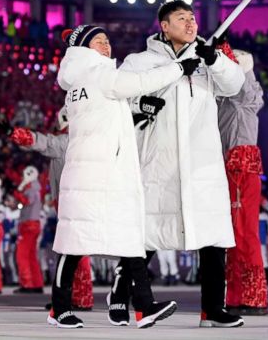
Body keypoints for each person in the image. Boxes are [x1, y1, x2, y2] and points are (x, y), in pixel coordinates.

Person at [43, 24, 192, 329]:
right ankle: (60, 309)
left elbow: (106, 119)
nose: (107, 46)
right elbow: (141, 81)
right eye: (99, 41)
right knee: (78, 244)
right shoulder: (99, 74)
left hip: (97, 170)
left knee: (116, 240)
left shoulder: (80, 82)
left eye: (107, 41)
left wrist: (136, 113)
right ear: (83, 48)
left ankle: (144, 306)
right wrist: (178, 68)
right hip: (99, 172)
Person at [117, 1, 246, 328]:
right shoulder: (140, 61)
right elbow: (121, 95)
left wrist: (214, 59)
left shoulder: (206, 58)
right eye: (181, 19)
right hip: (159, 161)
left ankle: (212, 310)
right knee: (146, 234)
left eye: (192, 18)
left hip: (202, 164)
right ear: (164, 25)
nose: (190, 24)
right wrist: (141, 103)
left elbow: (234, 85)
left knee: (213, 236)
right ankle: (125, 292)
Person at [8, 111, 94, 311]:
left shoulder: (65, 141)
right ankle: (78, 297)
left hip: (68, 199)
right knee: (76, 251)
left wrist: (15, 133)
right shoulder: (79, 141)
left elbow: (43, 143)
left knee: (74, 251)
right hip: (74, 198)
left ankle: (79, 298)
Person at [216, 48, 268, 314]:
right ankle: (235, 295)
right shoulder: (222, 101)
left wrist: (239, 65)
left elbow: (248, 90)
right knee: (231, 236)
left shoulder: (247, 99)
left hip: (242, 167)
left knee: (245, 234)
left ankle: (254, 297)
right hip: (225, 167)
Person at [14, 166, 44, 295]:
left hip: (28, 224)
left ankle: (27, 284)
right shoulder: (37, 188)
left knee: (22, 255)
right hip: (34, 223)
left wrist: (18, 194)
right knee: (31, 255)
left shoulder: (31, 188)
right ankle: (37, 283)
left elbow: (28, 201)